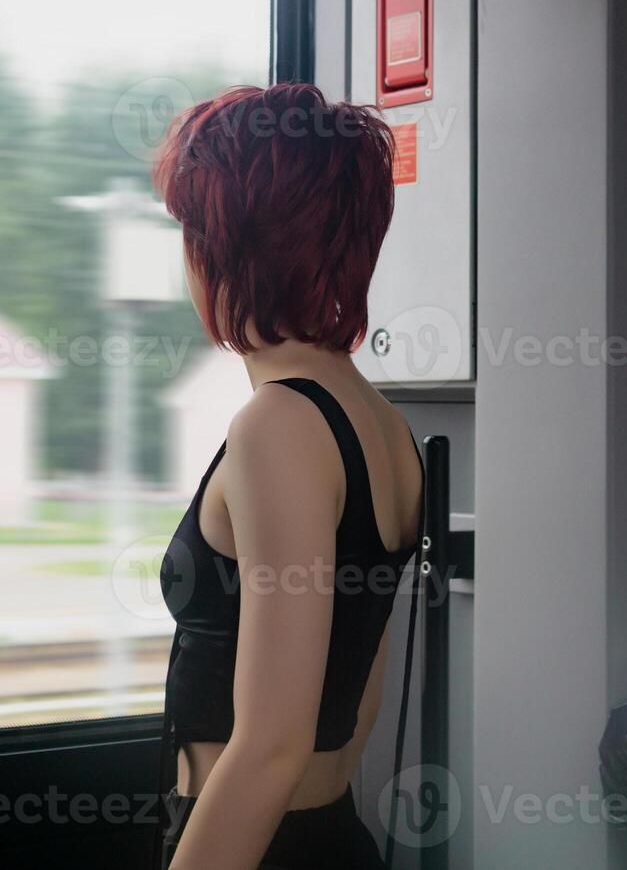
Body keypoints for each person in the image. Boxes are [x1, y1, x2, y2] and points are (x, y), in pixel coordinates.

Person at [153, 83, 424, 869]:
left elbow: (271, 746)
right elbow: (356, 705)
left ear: (231, 243)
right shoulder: (381, 421)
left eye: (190, 228)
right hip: (327, 833)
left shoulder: (279, 426)